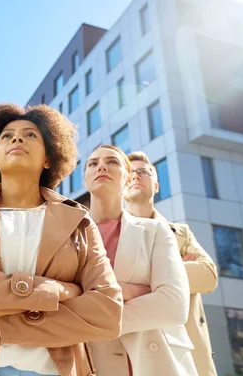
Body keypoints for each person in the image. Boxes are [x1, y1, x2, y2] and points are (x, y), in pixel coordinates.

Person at [0, 104, 123, 376]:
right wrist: (57, 291)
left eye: (30, 135)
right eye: (6, 136)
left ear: (48, 157)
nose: (17, 139)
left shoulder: (79, 220)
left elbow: (108, 313)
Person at [84, 145, 197, 376]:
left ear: (128, 179)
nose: (101, 166)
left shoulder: (155, 230)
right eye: (93, 163)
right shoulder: (68, 235)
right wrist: (132, 291)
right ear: (85, 178)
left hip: (154, 362)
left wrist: (87, 314)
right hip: (91, 362)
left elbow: (173, 305)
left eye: (112, 162)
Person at [124, 151, 218, 376]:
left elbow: (208, 275)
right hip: (133, 352)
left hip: (187, 354)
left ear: (156, 185)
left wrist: (135, 280)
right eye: (129, 173)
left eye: (143, 172)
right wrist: (173, 268)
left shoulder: (181, 233)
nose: (135, 176)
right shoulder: (106, 233)